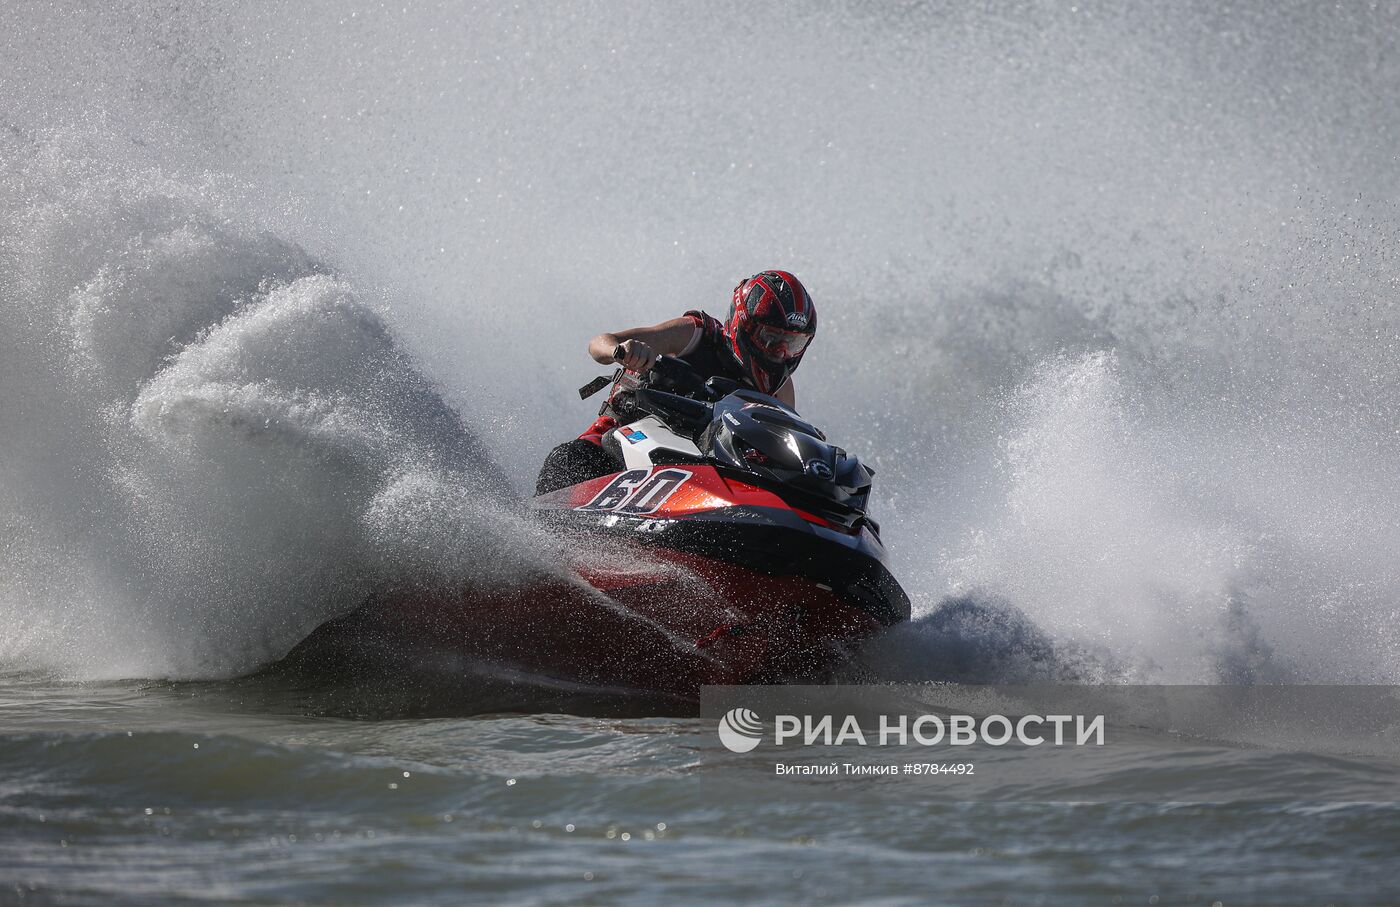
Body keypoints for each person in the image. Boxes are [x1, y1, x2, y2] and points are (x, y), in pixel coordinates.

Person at [535, 269, 818, 494]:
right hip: (617, 449)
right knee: (568, 460)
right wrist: (622, 351)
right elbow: (599, 344)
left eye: (792, 344)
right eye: (771, 339)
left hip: (704, 478)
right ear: (743, 324)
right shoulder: (695, 335)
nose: (780, 354)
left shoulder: (779, 390)